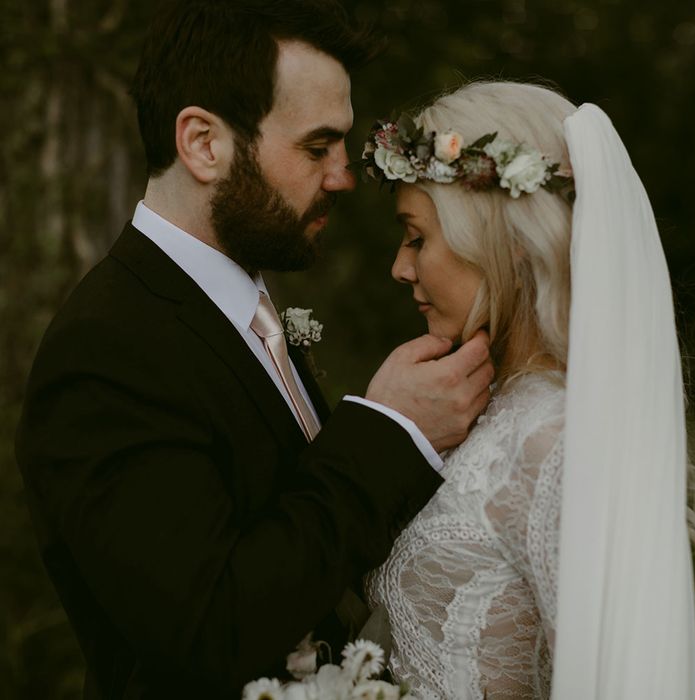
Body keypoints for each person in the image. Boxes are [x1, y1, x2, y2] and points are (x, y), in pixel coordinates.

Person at [14, 2, 495, 698]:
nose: (342, 177)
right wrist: (386, 434)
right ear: (203, 143)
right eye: (315, 148)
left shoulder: (241, 307)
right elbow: (208, 628)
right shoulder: (109, 349)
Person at [362, 81, 695, 699]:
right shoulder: (483, 410)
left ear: (497, 237)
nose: (400, 267)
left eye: (416, 238)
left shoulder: (556, 443)